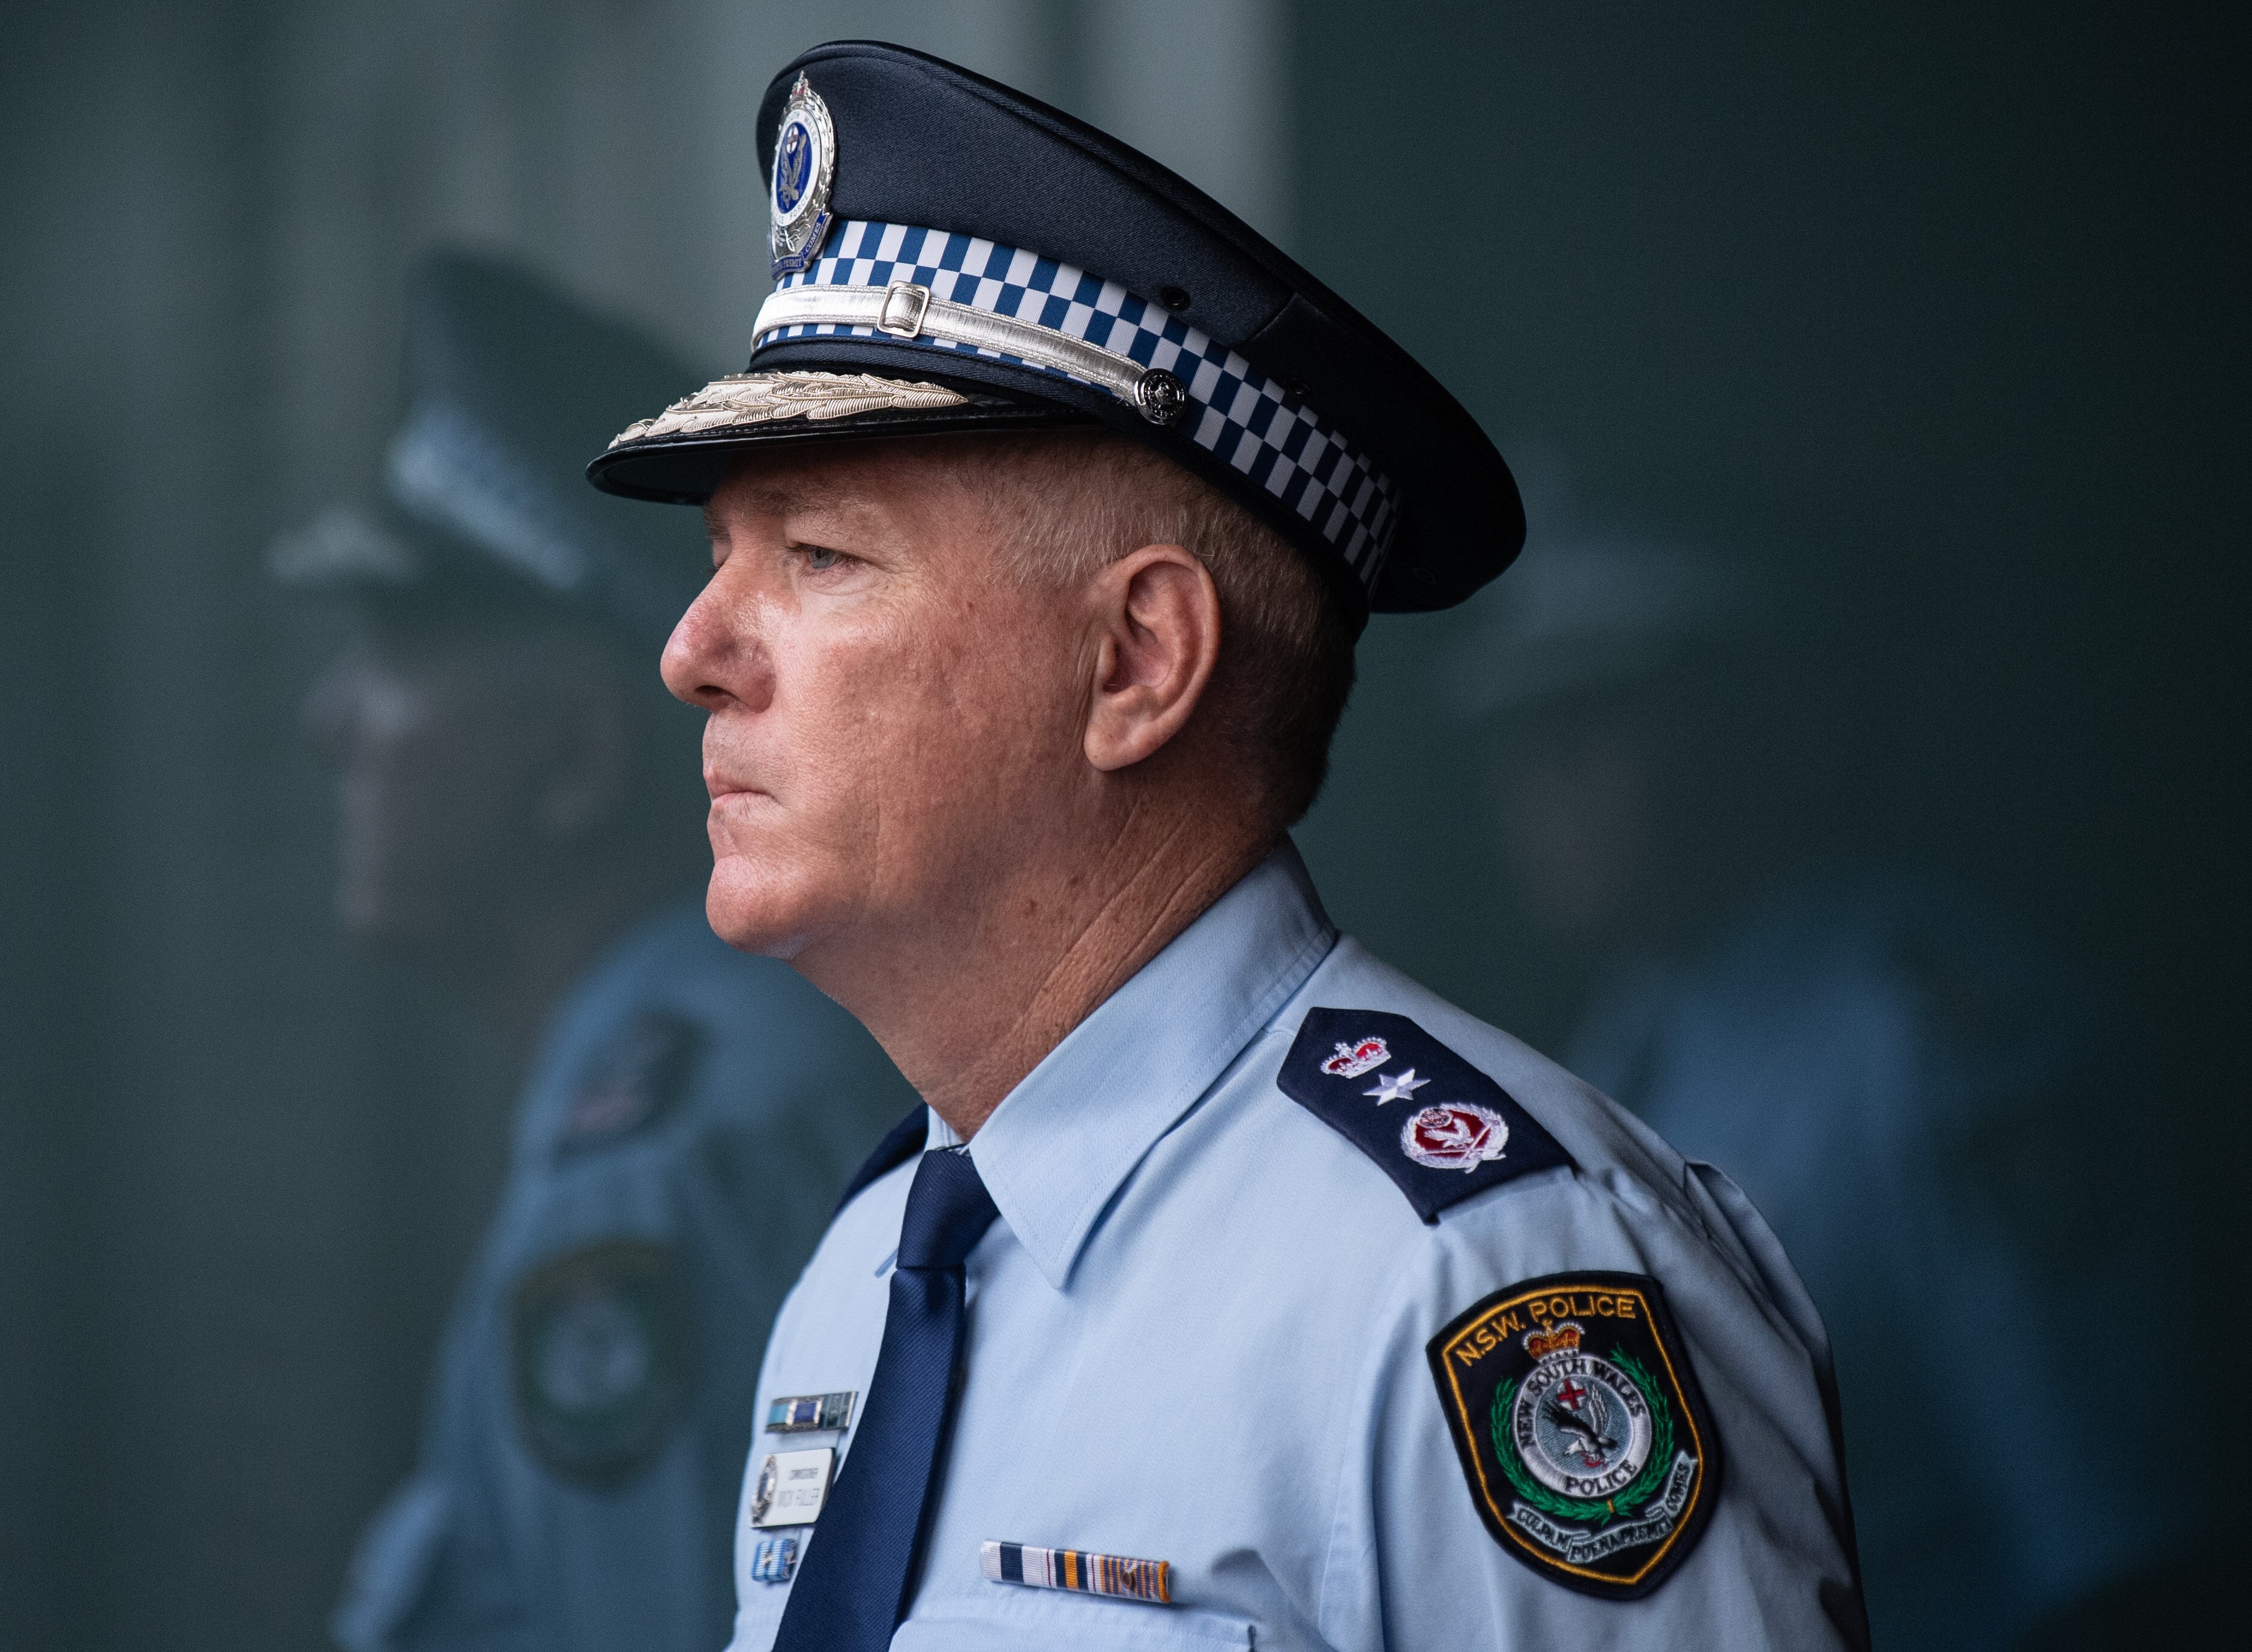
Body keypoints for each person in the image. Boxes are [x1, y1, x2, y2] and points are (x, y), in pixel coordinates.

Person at [588, 42, 1867, 1650]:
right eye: (722, 560)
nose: (694, 650)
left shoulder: (1483, 1285)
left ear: (1136, 663)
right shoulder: (870, 1272)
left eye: (824, 557)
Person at [273, 250, 914, 1652]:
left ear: (572, 756)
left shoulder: (656, 1151)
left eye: (398, 642)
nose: (335, 717)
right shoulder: (728, 1066)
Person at [1450, 535, 2170, 1649]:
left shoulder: (1938, 1036)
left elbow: (2113, 1526)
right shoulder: (1617, 1046)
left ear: (1775, 728)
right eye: (1520, 736)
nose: (1539, 779)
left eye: (1597, 720)